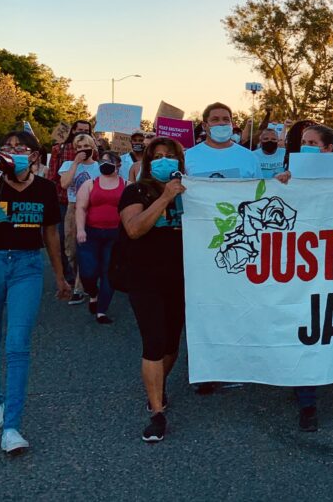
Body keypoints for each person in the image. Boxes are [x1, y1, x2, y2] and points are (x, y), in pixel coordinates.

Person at [0, 130, 71, 454]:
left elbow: (51, 235)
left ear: (35, 155)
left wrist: (59, 276)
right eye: (7, 147)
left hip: (27, 267)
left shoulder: (44, 189)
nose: (12, 151)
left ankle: (12, 427)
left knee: (17, 345)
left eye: (20, 147)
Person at [119, 137, 187, 442]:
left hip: (181, 277)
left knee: (172, 343)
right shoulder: (135, 191)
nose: (163, 160)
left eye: (169, 156)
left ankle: (158, 387)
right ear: (148, 161)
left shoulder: (191, 191)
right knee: (154, 341)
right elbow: (134, 229)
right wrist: (164, 199)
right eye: (157, 156)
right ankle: (157, 412)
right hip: (144, 277)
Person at [273, 122, 333, 431]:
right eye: (303, 141)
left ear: (328, 149)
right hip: (302, 265)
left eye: (313, 142)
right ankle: (307, 401)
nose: (306, 146)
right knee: (305, 324)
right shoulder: (290, 176)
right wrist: (280, 183)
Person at [74, 150, 125, 325]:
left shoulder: (127, 184)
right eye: (102, 161)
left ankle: (101, 310)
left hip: (114, 235)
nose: (105, 164)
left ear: (118, 165)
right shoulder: (90, 184)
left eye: (109, 161)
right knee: (88, 271)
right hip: (90, 233)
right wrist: (80, 230)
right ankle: (93, 293)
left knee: (108, 272)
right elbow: (80, 207)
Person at [46, 119, 93, 287]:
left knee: (84, 241)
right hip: (63, 201)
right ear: (72, 131)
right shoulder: (60, 149)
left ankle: (83, 279)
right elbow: (53, 177)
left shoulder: (95, 154)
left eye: (86, 131)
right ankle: (68, 274)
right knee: (64, 240)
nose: (82, 133)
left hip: (87, 206)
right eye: (79, 130)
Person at [58, 133, 101, 304]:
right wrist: (75, 163)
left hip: (91, 209)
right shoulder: (68, 165)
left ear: (93, 148)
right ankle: (81, 278)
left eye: (86, 146)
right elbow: (64, 184)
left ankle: (79, 287)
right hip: (72, 208)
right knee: (71, 250)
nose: (83, 150)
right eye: (79, 147)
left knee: (85, 247)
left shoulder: (99, 167)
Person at [184, 102, 262, 179]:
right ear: (204, 125)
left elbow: (259, 189)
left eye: (226, 119)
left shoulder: (249, 157)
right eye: (215, 119)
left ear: (231, 124)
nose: (221, 123)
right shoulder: (188, 157)